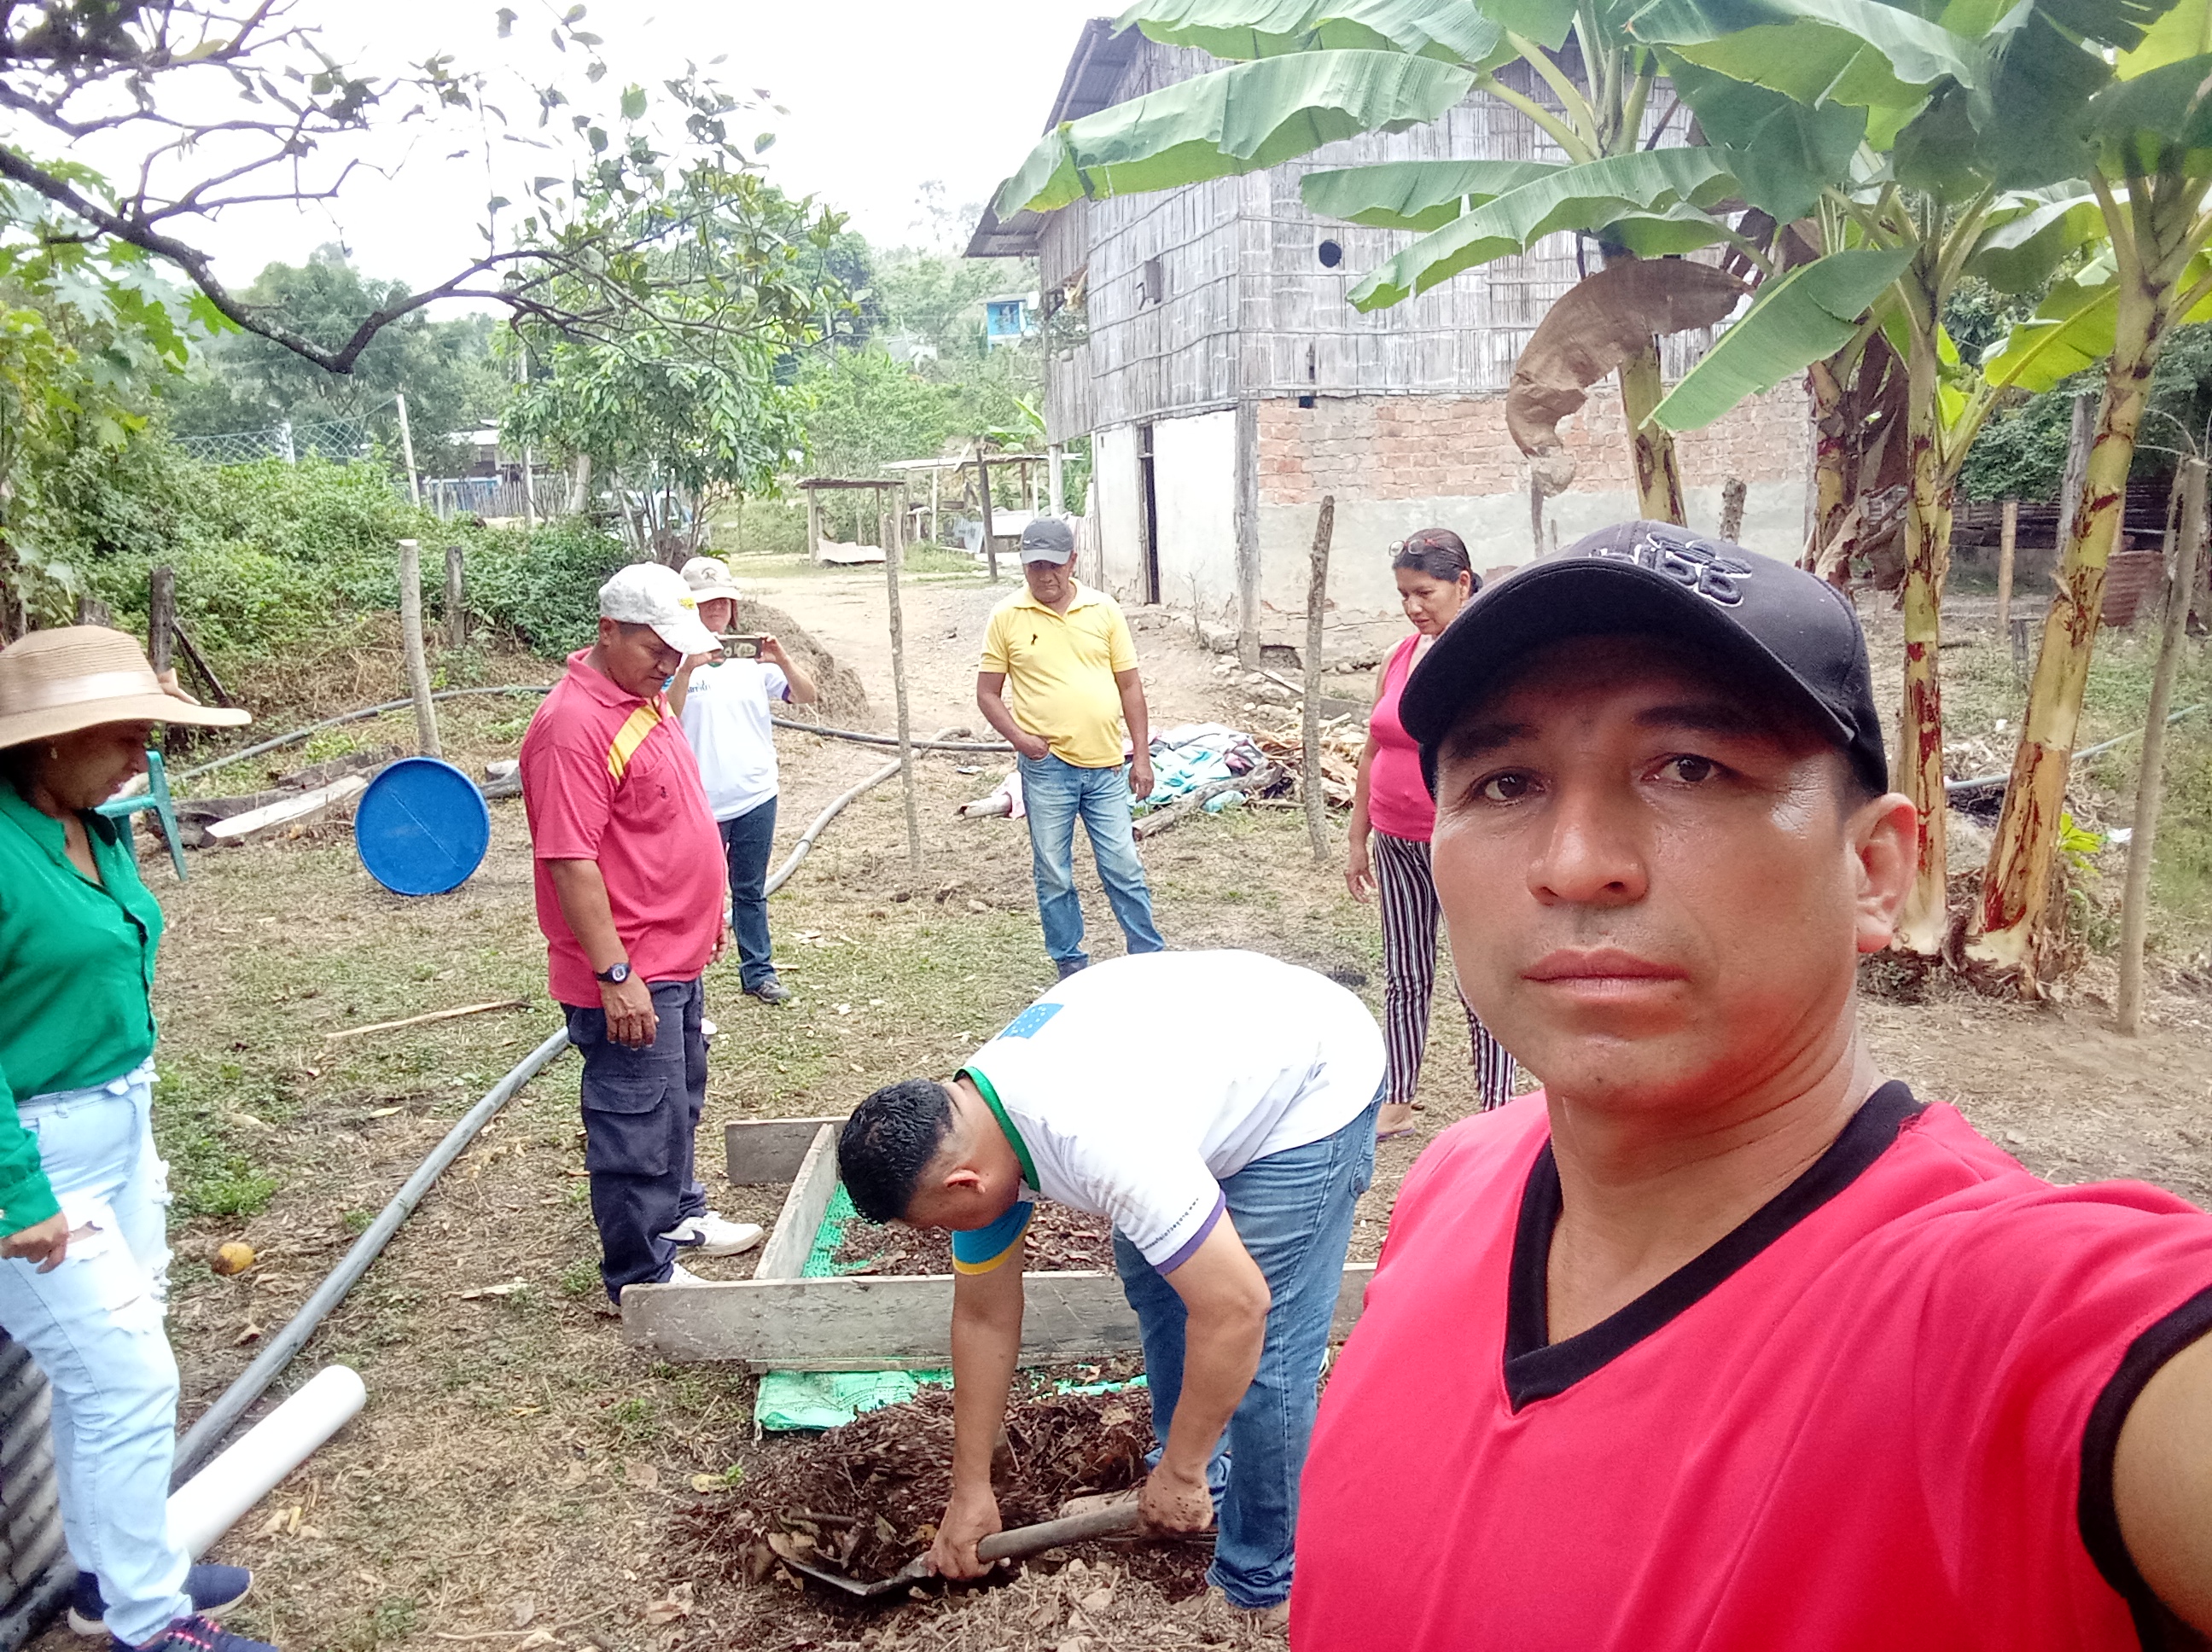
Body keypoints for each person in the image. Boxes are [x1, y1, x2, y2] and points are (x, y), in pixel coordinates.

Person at [1291, 522, 2212, 1649]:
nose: (1576, 864)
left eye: (1691, 768)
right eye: (1506, 782)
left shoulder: (2005, 1325)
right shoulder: (1452, 1182)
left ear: (1874, 871)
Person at [837, 950, 1384, 1621]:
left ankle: (1261, 1580)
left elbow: (1238, 1309)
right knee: (1153, 1267)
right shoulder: (974, 1126)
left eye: (937, 1224)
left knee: (1265, 1353)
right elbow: (983, 1317)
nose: (943, 1236)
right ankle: (1203, 1475)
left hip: (1311, 1077)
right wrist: (970, 1490)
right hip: (1209, 1063)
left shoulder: (1096, 1140)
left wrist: (1179, 1471)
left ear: (964, 1184)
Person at [0, 626, 277, 1652]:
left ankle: (106, 1570)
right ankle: (150, 1622)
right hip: (36, 1147)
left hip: (118, 1121)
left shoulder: (88, 827)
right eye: (123, 736)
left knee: (108, 1368)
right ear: (49, 739)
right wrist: (15, 1188)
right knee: (125, 1379)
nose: (140, 757)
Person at [519, 563, 763, 1302]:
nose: (668, 664)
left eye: (675, 651)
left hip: (673, 953)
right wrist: (615, 975)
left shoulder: (642, 697)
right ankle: (640, 1275)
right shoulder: (573, 727)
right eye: (657, 649)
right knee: (634, 1119)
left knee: (676, 1097)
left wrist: (703, 913)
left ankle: (679, 1214)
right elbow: (570, 861)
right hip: (630, 966)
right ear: (608, 631)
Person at [1343, 527, 1516, 1136]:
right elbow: (1372, 750)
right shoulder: (1399, 655)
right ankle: (1398, 1096)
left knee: (1479, 973)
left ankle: (1497, 1104)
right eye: (1404, 596)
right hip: (1395, 838)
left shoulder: (1485, 659)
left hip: (1462, 842)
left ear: (1462, 583)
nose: (1413, 607)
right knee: (1406, 971)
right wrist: (1358, 836)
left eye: (1425, 593)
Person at [975, 518, 1164, 979]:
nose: (1045, 576)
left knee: (1122, 865)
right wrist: (1023, 741)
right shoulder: (1007, 616)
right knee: (1054, 872)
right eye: (1035, 566)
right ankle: (1070, 964)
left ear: (1073, 562)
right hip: (1047, 769)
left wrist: (1140, 757)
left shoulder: (1104, 610)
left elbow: (1131, 686)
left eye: (1054, 565)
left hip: (1106, 766)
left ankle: (1149, 957)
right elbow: (987, 693)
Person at [668, 556, 818, 1008]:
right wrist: (686, 669)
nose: (717, 607)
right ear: (688, 606)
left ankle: (759, 971)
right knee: (695, 893)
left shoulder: (753, 660)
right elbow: (665, 716)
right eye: (706, 600)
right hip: (699, 802)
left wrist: (781, 659)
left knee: (749, 890)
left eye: (724, 600)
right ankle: (683, 978)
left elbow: (807, 696)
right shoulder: (672, 659)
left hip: (756, 794)